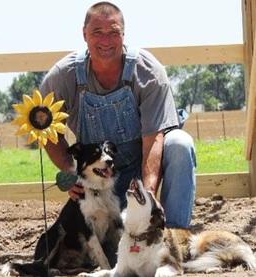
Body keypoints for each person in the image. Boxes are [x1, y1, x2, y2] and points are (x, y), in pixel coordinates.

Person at [40, 1, 196, 228]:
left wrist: (147, 194)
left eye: (113, 32)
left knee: (181, 143)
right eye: (97, 32)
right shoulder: (63, 76)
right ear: (84, 34)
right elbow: (44, 128)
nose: (105, 40)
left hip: (143, 171)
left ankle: (172, 234)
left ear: (123, 34)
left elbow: (153, 139)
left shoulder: (148, 72)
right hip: (100, 184)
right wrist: (70, 170)